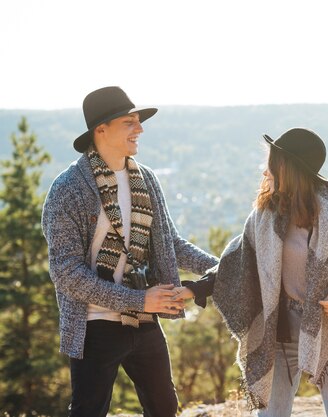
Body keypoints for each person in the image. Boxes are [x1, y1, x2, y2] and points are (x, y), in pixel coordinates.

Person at [175, 127, 328, 416]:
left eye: (270, 165)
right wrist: (195, 289)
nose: (264, 172)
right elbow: (235, 262)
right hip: (279, 329)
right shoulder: (265, 215)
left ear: (289, 168)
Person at [41, 86, 218, 417]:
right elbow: (66, 274)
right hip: (94, 326)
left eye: (139, 121)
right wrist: (140, 300)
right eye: (129, 122)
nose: (140, 129)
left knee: (165, 407)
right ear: (101, 129)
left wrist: (224, 266)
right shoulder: (67, 190)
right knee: (88, 410)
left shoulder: (145, 179)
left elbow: (171, 244)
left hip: (145, 320)